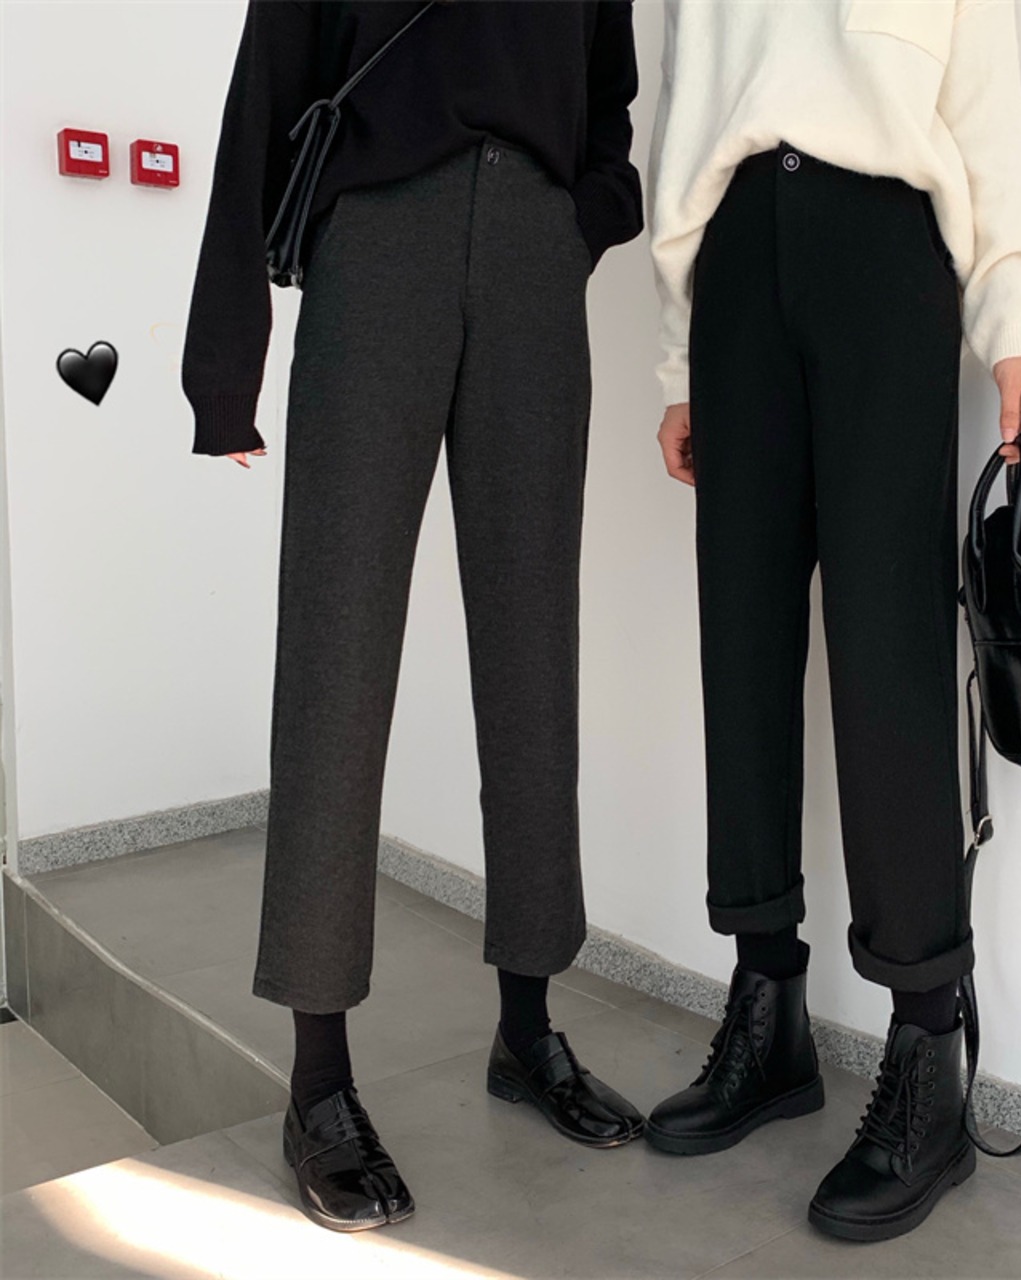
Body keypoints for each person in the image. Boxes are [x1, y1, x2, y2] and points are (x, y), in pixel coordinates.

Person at [181, 0, 646, 1233]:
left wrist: (580, 216)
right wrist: (224, 366)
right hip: (378, 245)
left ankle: (526, 1027)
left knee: (533, 653)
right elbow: (263, 94)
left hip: (534, 260)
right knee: (335, 658)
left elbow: (606, 96)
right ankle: (318, 1079)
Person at [644, 0, 1021, 1242]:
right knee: (742, 642)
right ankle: (766, 1005)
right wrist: (677, 360)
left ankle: (926, 1051)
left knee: (889, 658)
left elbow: (985, 119)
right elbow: (687, 123)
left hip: (883, 248)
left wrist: (1013, 329)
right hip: (736, 259)